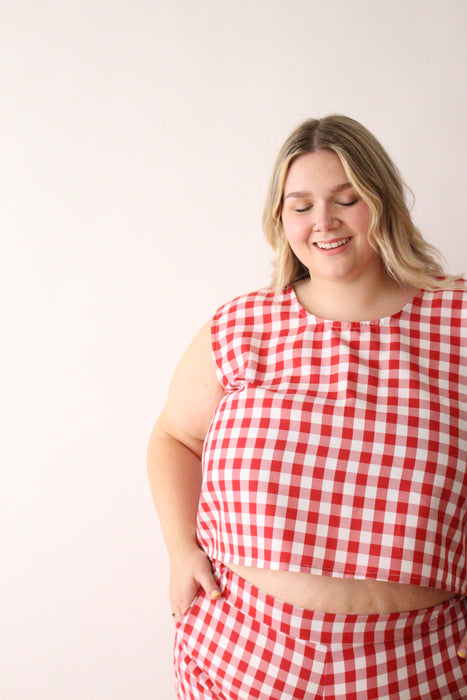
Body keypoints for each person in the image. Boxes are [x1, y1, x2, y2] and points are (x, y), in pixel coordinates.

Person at [147, 115, 467, 699]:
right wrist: (179, 550)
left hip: (415, 663)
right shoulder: (242, 325)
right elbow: (174, 437)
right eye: (301, 206)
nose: (324, 222)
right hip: (244, 655)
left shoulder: (459, 320)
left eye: (347, 199)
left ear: (383, 203)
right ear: (280, 218)